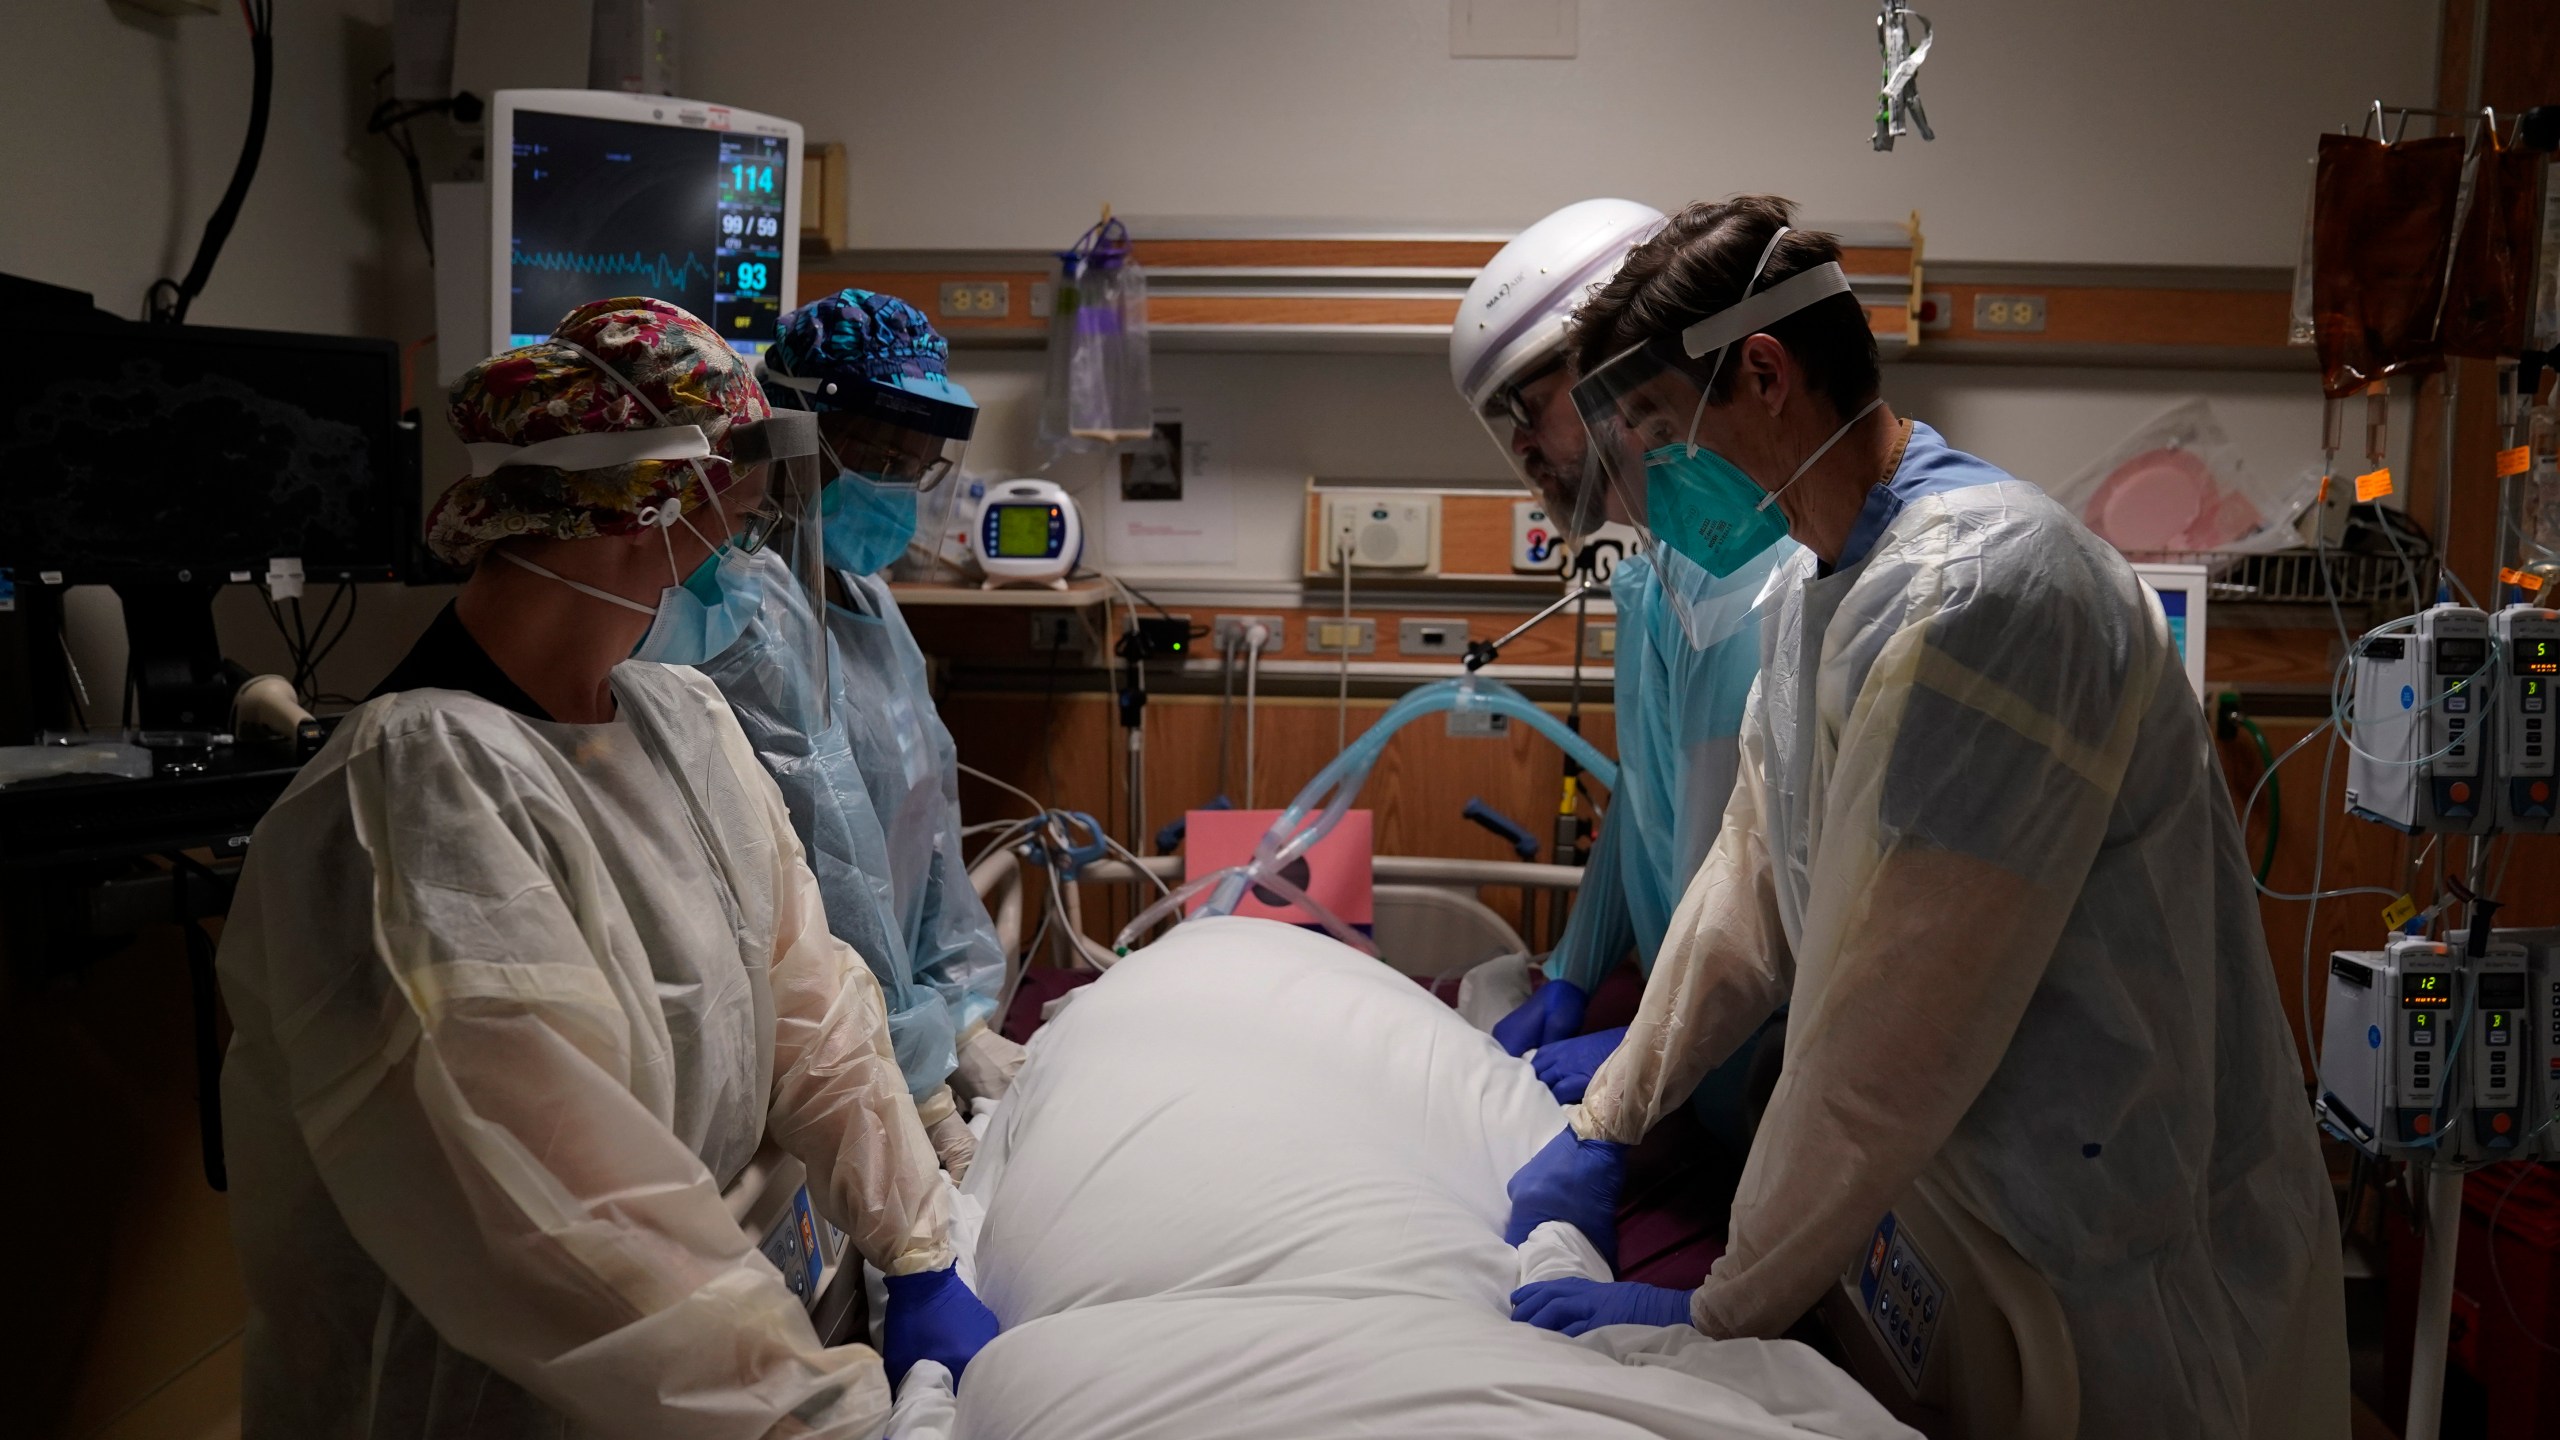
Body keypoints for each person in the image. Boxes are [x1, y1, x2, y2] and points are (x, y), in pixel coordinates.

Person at [1501, 199, 2346, 1439]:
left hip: (2117, 1263)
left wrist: (1721, 1314)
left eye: (1662, 440)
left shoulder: (1986, 596)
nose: (1649, 493)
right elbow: (1748, 886)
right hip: (1967, 1219)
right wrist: (1612, 1117)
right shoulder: (1816, 589)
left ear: (1765, 372)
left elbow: (1883, 1036)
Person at [217, 297, 998, 1439]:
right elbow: (560, 1222)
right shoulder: (419, 795)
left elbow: (811, 1002)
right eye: (743, 470)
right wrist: (817, 1415)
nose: (756, 516)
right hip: (500, 1400)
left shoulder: (678, 719)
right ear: (650, 500)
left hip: (710, 1365)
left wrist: (915, 1244)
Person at [1451, 199, 1793, 1156]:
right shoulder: (1657, 575)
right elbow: (1647, 805)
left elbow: (1753, 897)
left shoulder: (1760, 585)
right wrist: (1572, 970)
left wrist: (1647, 1053)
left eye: (1528, 405)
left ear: (1628, 359)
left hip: (1755, 1073)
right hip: (1694, 1067)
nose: (1521, 449)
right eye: (1500, 423)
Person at [695, 289, 1022, 1184]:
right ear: (799, 439)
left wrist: (966, 1018)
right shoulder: (747, 606)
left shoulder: (871, 604)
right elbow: (832, 861)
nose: (892, 484)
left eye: (912, 466)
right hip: (815, 1040)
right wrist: (914, 1073)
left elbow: (929, 824)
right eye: (875, 455)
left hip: (902, 1024)